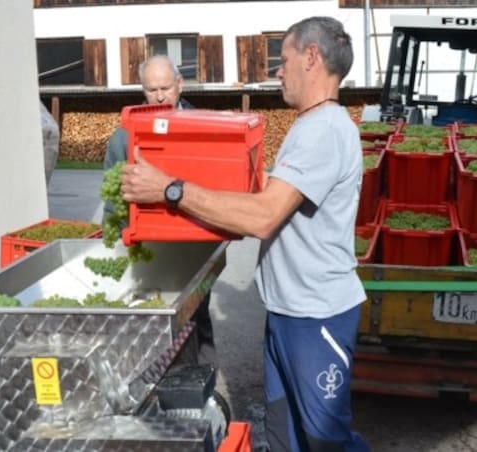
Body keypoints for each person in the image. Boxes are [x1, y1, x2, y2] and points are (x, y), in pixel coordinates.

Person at [121, 17, 369, 452]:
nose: (278, 71)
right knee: (284, 434)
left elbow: (262, 217)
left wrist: (170, 189)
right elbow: (262, 205)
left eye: (284, 59)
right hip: (288, 313)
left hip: (317, 317)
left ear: (311, 57)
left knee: (325, 439)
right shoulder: (310, 125)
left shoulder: (325, 130)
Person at [102, 55, 215, 365]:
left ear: (180, 84)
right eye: (152, 90)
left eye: (166, 87)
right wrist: (114, 243)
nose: (160, 96)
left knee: (195, 313)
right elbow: (113, 202)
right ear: (143, 90)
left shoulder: (204, 126)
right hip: (149, 245)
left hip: (192, 242)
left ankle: (201, 381)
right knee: (151, 320)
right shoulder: (123, 138)